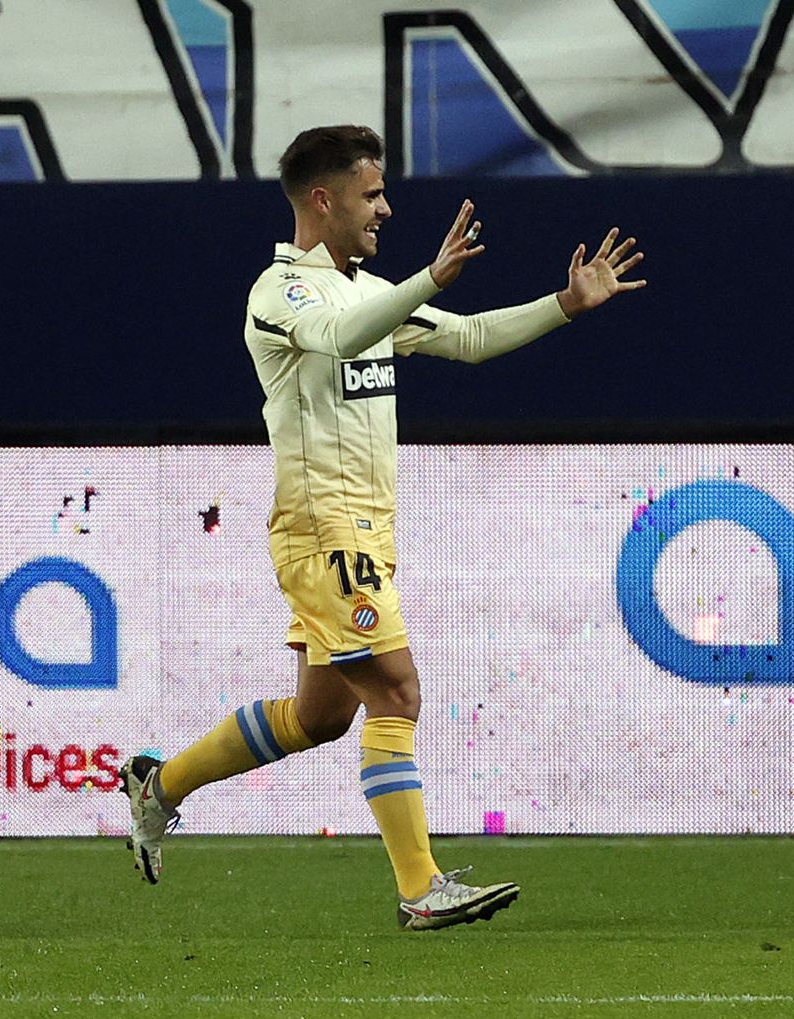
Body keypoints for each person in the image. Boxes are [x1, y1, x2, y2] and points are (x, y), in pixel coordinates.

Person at [120, 124, 645, 931]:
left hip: (363, 533)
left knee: (321, 716)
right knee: (398, 690)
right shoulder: (281, 293)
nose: (386, 208)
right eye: (371, 194)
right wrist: (426, 278)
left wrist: (566, 305)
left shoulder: (368, 295)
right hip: (322, 530)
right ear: (322, 200)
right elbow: (335, 337)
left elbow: (466, 339)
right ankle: (419, 886)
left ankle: (161, 786)